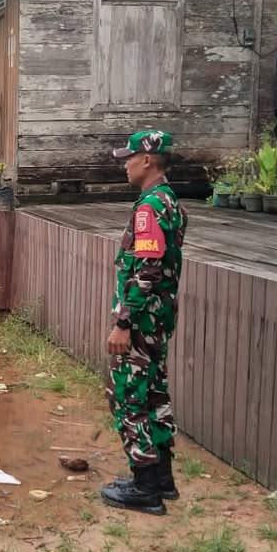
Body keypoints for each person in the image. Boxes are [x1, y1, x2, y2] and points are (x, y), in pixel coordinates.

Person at [99, 130, 188, 516]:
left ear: (148, 160)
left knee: (126, 396)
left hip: (141, 321)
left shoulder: (149, 208)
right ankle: (161, 479)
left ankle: (145, 486)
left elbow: (148, 270)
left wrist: (124, 321)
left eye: (129, 157)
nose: (125, 163)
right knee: (153, 395)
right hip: (158, 320)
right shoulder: (169, 201)